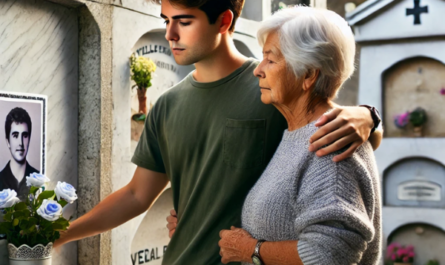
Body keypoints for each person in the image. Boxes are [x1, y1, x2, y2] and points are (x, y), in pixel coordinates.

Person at [54, 1, 382, 264]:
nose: (170, 34)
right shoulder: (167, 105)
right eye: (166, 20)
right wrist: (62, 234)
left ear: (223, 21)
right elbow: (137, 194)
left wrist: (368, 117)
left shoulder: (272, 89)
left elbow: (336, 139)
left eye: (184, 22)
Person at [214, 6, 381, 265]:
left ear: (308, 74)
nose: (258, 70)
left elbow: (330, 255)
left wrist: (251, 250)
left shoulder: (330, 145)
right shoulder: (299, 133)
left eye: (270, 59)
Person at [0, 107, 39, 201]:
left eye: (25, 135)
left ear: (29, 139)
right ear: (8, 141)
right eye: (15, 135)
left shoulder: (38, 178)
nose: (21, 143)